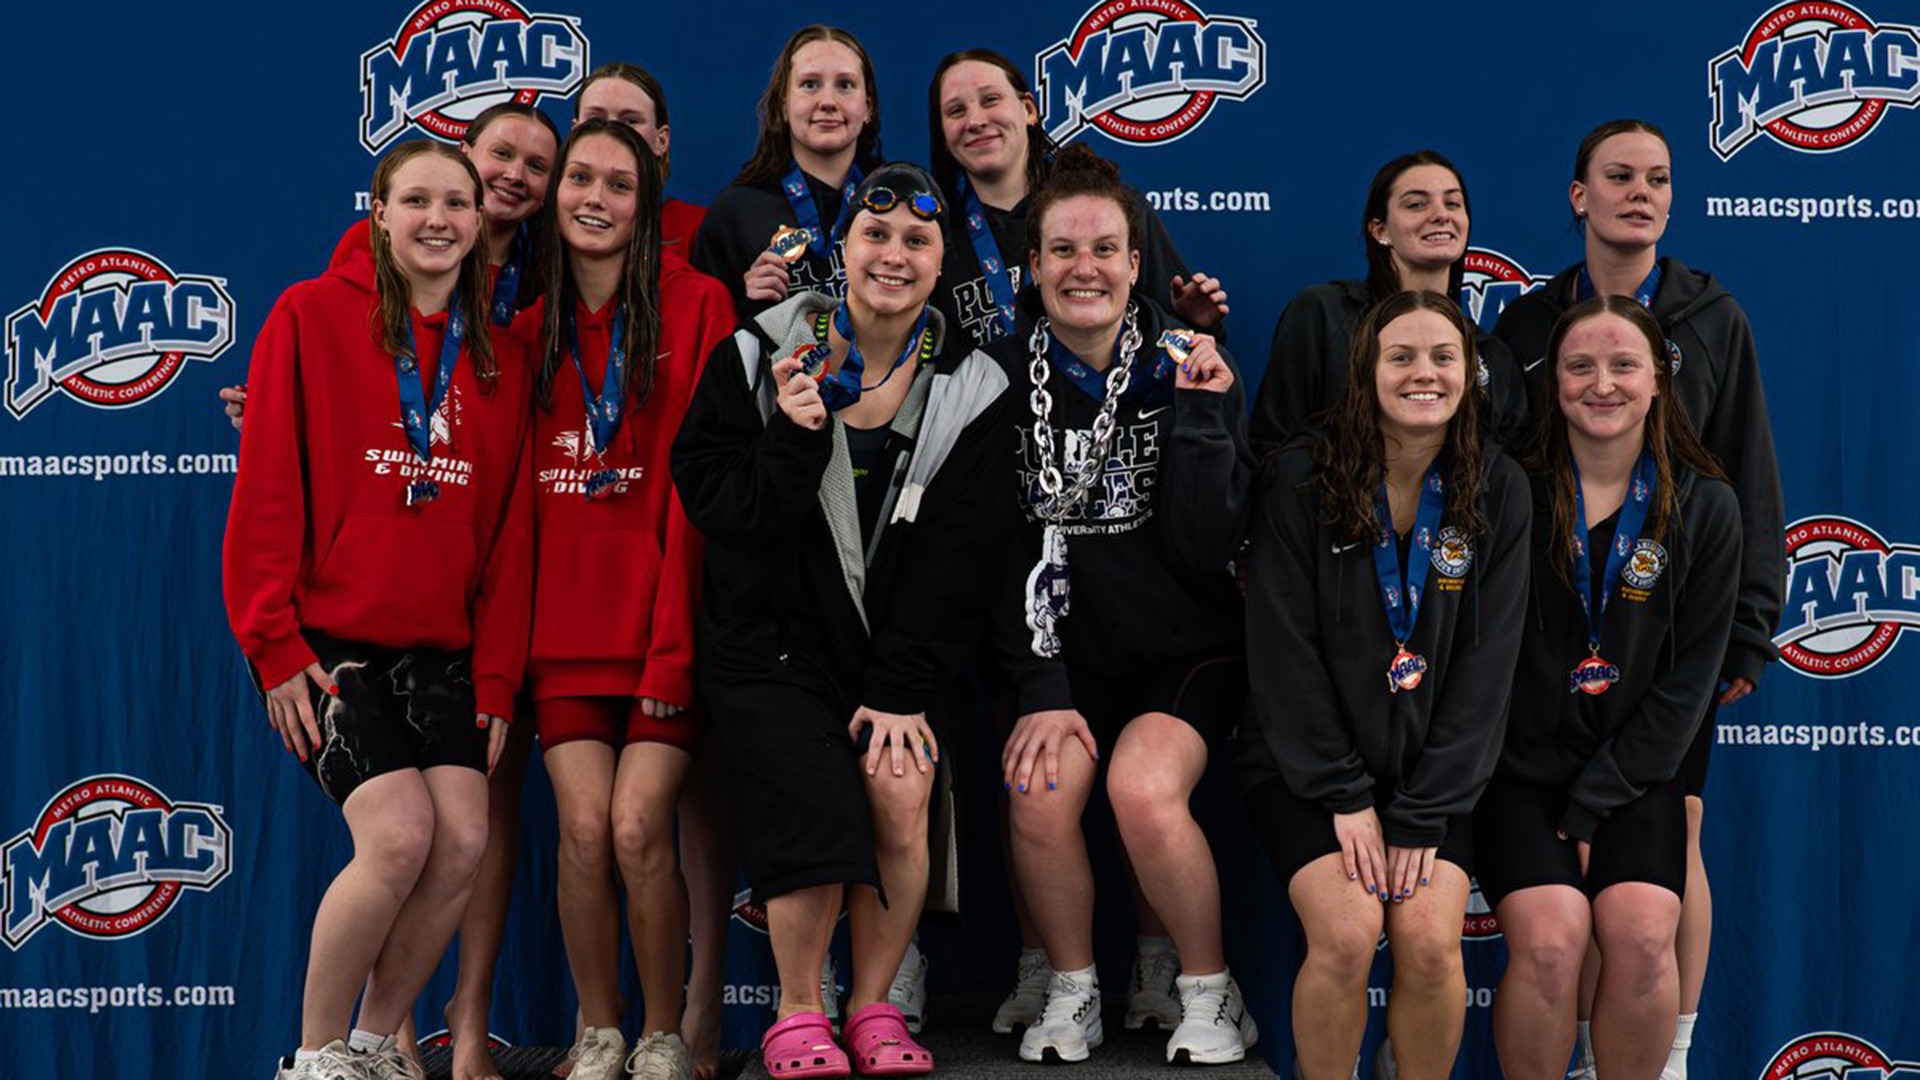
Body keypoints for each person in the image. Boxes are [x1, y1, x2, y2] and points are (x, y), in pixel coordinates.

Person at [671, 162, 1013, 1080]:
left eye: (916, 241)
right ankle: (795, 1013)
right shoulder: (761, 349)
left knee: (902, 792)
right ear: (841, 249)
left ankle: (870, 1008)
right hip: (768, 646)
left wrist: (902, 689)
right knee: (821, 799)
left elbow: (961, 559)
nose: (893, 255)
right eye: (875, 235)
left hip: (893, 654)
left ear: (944, 262)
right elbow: (718, 508)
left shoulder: (975, 384)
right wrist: (790, 430)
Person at [223, 139, 533, 1080]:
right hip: (326, 643)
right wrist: (273, 644)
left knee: (465, 839)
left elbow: (511, 539)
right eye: (417, 201)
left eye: (457, 203)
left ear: (483, 226)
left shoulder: (503, 358)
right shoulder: (310, 317)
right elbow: (268, 485)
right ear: (381, 214)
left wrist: (498, 678)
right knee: (399, 835)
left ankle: (373, 1045)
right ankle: (314, 1057)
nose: (437, 219)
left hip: (443, 647)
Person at [1491, 118, 1784, 1080]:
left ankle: (1668, 1053)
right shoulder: (1530, 327)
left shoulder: (1712, 316)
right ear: (1579, 196)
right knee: (1563, 907)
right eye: (1618, 177)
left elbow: (1746, 472)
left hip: (1667, 646)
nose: (1640, 193)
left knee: (1671, 839)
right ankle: (1579, 1051)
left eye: (1658, 178)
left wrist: (1745, 631)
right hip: (1551, 659)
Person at [990, 144, 1256, 1067]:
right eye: (1062, 251)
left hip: (1182, 647)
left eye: (1105, 249)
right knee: (1038, 787)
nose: (1085, 269)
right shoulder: (993, 377)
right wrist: (1042, 683)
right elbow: (989, 556)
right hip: (1061, 651)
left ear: (1138, 261)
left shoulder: (1190, 362)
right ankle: (1073, 989)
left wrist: (1201, 421)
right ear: (1034, 265)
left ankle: (1210, 991)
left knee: (1141, 791)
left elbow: (1205, 548)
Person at [1237, 291, 1529, 1080]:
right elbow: (1281, 651)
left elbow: (1486, 671)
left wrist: (1424, 809)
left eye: (1442, 357)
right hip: (1306, 767)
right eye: (1400, 357)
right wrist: (1342, 791)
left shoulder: (1500, 487)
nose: (1423, 373)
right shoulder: (1301, 476)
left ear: (1470, 374)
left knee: (1432, 946)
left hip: (1434, 777)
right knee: (1344, 934)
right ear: (1365, 372)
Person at [516, 119, 736, 1080]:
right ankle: (597, 1029)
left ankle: (661, 1031)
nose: (594, 197)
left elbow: (706, 499)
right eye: (579, 179)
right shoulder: (523, 334)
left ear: (649, 211)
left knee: (641, 828)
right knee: (582, 830)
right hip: (562, 640)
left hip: (663, 635)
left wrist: (674, 648)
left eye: (619, 184)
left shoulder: (698, 310)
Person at [1479, 295, 1738, 1080]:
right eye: (1580, 365)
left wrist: (1599, 794)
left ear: (1658, 377)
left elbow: (1691, 682)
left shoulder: (1704, 504)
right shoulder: (1504, 491)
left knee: (1642, 931)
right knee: (1554, 941)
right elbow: (1483, 658)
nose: (1603, 384)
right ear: (1551, 379)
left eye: (1624, 364)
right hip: (1520, 772)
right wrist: (1558, 784)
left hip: (1635, 771)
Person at [925, 48, 1227, 351]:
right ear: (942, 132)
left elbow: (1185, 353)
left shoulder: (1112, 211)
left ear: (1029, 109)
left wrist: (1193, 323)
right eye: (956, 111)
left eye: (991, 99)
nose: (975, 120)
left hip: (1108, 397)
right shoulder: (931, 233)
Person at [1249, 150, 1526, 454]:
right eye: (1417, 204)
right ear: (1380, 229)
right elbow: (1273, 447)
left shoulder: (1490, 354)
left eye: (1453, 203)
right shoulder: (1324, 314)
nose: (1441, 214)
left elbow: (1504, 475)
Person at [691, 25, 883, 318]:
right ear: (782, 105)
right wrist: (743, 304)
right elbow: (709, 340)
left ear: (867, 107)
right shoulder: (736, 213)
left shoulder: (895, 201)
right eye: (809, 84)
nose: (828, 102)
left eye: (845, 85)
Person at [575, 61, 707, 251]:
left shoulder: (697, 228)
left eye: (630, 121)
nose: (611, 132)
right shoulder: (546, 224)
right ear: (574, 131)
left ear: (661, 141)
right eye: (595, 120)